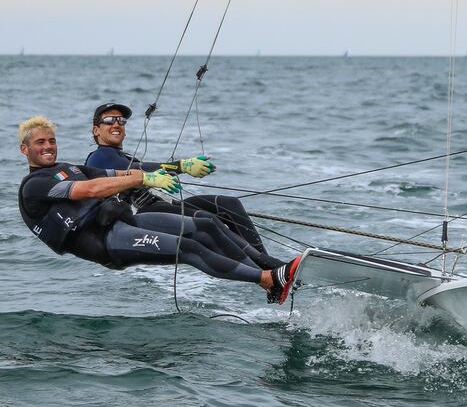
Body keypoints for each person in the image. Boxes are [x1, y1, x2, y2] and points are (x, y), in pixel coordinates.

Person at [17, 116, 300, 304]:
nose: (48, 146)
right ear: (24, 149)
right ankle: (266, 278)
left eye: (51, 140)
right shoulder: (35, 185)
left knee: (201, 227)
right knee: (186, 247)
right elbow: (91, 189)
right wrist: (142, 180)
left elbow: (128, 170)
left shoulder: (71, 168)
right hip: (106, 242)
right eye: (40, 142)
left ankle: (273, 276)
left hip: (122, 222)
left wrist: (180, 167)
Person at [84, 102, 270, 256]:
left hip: (159, 204)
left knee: (228, 204)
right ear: (96, 130)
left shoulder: (120, 155)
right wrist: (182, 166)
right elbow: (138, 170)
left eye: (121, 121)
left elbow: (143, 169)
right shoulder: (99, 156)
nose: (116, 124)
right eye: (108, 121)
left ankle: (266, 262)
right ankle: (267, 269)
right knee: (207, 220)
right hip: (141, 215)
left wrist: (174, 171)